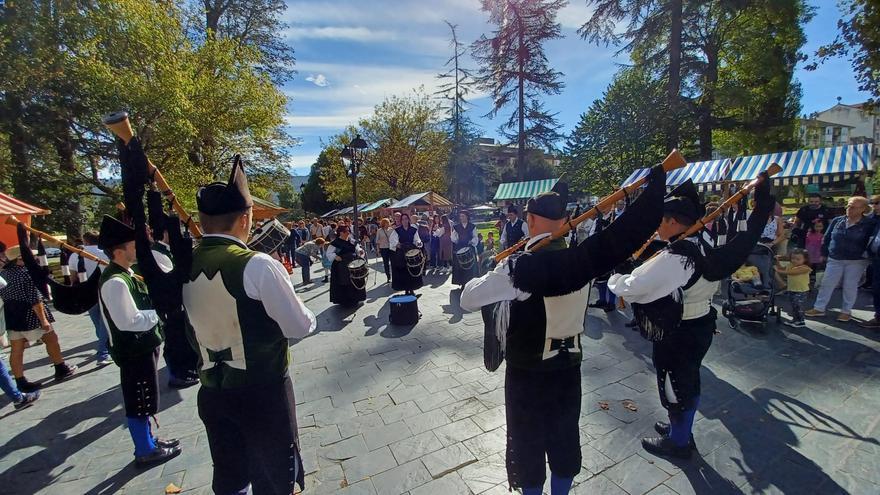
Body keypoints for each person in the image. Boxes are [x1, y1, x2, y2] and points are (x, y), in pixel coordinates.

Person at [460, 167, 667, 495]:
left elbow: (468, 299)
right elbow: (622, 236)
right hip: (568, 368)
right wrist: (654, 195)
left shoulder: (518, 268)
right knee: (563, 440)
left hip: (527, 374)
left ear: (530, 221)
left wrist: (491, 271)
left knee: (527, 445)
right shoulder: (583, 260)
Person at [609, 177, 773, 460]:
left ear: (674, 222)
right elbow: (747, 237)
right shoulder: (706, 242)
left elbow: (634, 288)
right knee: (687, 379)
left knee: (675, 383)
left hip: (679, 329)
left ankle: (680, 442)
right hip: (701, 322)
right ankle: (678, 429)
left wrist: (618, 276)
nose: (658, 225)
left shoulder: (678, 255)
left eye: (662, 219)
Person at [181, 161, 316, 494]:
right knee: (273, 479)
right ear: (245, 218)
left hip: (212, 391)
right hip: (262, 392)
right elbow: (298, 326)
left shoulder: (181, 265)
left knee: (230, 477)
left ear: (202, 221)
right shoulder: (257, 265)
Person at [96, 214, 181, 466]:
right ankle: (144, 449)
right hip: (133, 350)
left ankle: (150, 441)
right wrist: (158, 313)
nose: (138, 248)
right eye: (133, 244)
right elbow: (128, 322)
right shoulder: (115, 282)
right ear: (119, 250)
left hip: (141, 348)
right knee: (139, 399)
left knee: (146, 397)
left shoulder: (125, 274)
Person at [0, 245, 77, 393]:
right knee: (51, 339)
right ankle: (60, 366)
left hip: (12, 315)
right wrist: (44, 320)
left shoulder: (4, 274)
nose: (34, 259)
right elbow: (35, 300)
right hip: (31, 314)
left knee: (17, 349)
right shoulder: (27, 274)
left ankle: (20, 380)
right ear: (20, 259)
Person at [805, 196, 874, 322]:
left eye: (853, 207)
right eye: (848, 205)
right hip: (835, 257)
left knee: (850, 285)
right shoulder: (838, 220)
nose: (849, 209)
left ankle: (846, 311)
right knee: (826, 283)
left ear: (863, 209)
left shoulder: (869, 224)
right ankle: (819, 308)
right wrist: (824, 253)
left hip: (856, 260)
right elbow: (826, 238)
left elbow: (872, 241)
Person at [67, 232, 113, 366]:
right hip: (104, 288)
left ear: (85, 241)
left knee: (97, 321)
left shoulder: (75, 255)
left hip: (86, 290)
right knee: (104, 321)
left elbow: (73, 277)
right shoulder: (105, 252)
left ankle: (104, 347)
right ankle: (103, 351)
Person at [327, 225, 367, 305]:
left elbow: (357, 248)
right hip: (341, 265)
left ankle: (356, 298)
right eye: (346, 231)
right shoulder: (335, 243)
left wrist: (360, 251)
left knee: (356, 280)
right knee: (345, 281)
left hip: (353, 263)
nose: (348, 233)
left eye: (348, 231)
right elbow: (329, 253)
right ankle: (345, 301)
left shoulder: (351, 240)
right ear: (341, 233)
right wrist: (335, 256)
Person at [775, 249, 812, 328]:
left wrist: (777, 270)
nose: (794, 261)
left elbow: (789, 273)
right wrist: (777, 261)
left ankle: (801, 321)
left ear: (804, 259)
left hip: (801, 291)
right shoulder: (790, 265)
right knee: (794, 306)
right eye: (793, 258)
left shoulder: (805, 268)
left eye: (798, 259)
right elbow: (782, 268)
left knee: (798, 306)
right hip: (792, 289)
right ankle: (795, 320)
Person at [390, 213, 424, 295]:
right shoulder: (397, 230)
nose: (404, 221)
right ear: (401, 221)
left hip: (411, 252)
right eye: (403, 219)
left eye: (406, 219)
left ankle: (412, 289)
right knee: (404, 272)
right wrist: (398, 245)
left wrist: (419, 243)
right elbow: (392, 242)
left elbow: (417, 240)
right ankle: (406, 289)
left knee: (412, 270)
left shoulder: (413, 230)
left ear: (408, 220)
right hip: (402, 253)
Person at [451, 211, 479, 287]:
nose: (461, 218)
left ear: (467, 217)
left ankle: (472, 282)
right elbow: (453, 238)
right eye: (460, 216)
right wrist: (458, 241)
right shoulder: (456, 227)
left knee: (471, 266)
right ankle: (463, 282)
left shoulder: (472, 226)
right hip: (460, 248)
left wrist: (472, 241)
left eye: (463, 216)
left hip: (469, 248)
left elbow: (475, 237)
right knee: (460, 266)